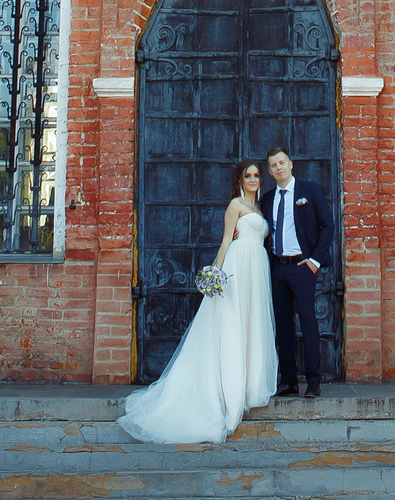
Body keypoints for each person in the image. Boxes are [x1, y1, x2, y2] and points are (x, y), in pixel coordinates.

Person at [118, 160, 278, 445]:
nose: (253, 179)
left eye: (256, 175)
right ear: (240, 180)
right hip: (238, 267)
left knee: (251, 325)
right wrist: (217, 273)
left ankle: (247, 385)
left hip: (257, 269)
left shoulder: (258, 208)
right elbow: (226, 240)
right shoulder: (236, 206)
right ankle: (226, 389)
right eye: (247, 175)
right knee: (232, 325)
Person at [261, 146, 333, 399]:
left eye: (282, 162)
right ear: (270, 171)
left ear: (291, 165)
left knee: (308, 320)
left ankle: (313, 381)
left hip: (303, 266)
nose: (278, 167)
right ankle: (288, 380)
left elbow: (328, 226)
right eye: (273, 165)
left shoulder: (309, 191)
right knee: (283, 325)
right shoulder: (268, 199)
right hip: (278, 267)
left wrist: (315, 259)